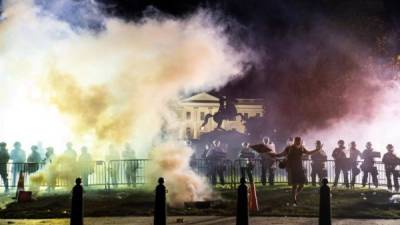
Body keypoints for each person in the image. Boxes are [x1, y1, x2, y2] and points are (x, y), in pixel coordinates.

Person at [269, 137, 320, 205]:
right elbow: (282, 154)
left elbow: (308, 153)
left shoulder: (301, 147)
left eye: (299, 141)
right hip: (292, 168)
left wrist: (317, 150)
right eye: (297, 141)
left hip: (299, 168)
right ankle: (294, 199)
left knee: (302, 185)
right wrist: (274, 155)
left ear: (300, 141)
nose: (298, 142)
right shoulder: (289, 148)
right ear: (295, 141)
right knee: (294, 185)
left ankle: (295, 195)